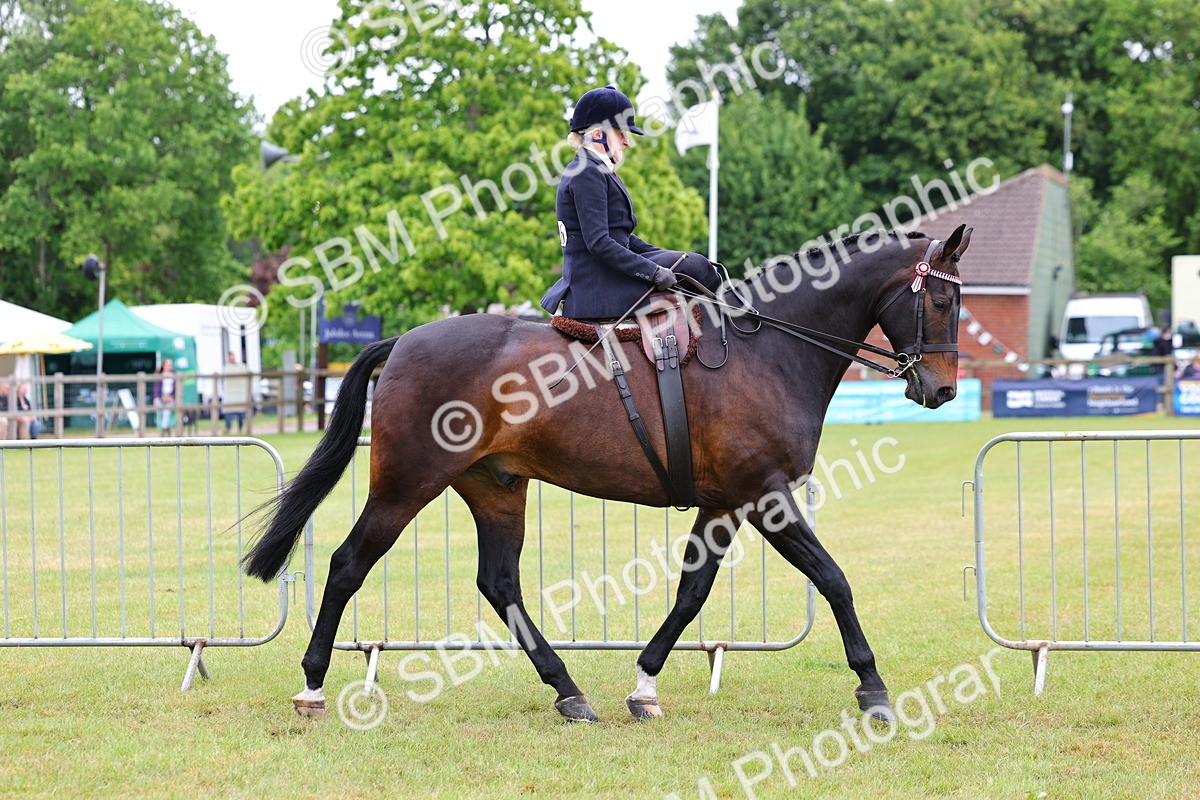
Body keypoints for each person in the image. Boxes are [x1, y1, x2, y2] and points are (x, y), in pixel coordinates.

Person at [540, 85, 722, 320]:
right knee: (697, 267)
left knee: (693, 262)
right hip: (598, 283)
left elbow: (622, 236)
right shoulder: (587, 172)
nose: (626, 142)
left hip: (605, 272)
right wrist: (652, 271)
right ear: (598, 135)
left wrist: (668, 255)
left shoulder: (596, 169)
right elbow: (599, 243)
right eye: (621, 134)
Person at [221, 351, 251, 434]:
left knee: (241, 411)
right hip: (230, 394)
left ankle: (241, 427)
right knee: (227, 411)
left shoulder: (241, 367)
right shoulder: (226, 368)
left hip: (239, 394)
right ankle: (228, 427)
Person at [154, 359, 176, 436]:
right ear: (164, 365)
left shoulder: (174, 374)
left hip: (171, 397)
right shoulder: (160, 374)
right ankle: (166, 428)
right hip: (161, 397)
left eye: (170, 365)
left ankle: (163, 430)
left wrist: (171, 397)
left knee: (167, 411)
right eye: (168, 364)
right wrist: (159, 397)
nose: (169, 366)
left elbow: (176, 389)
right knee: (161, 413)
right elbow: (157, 388)